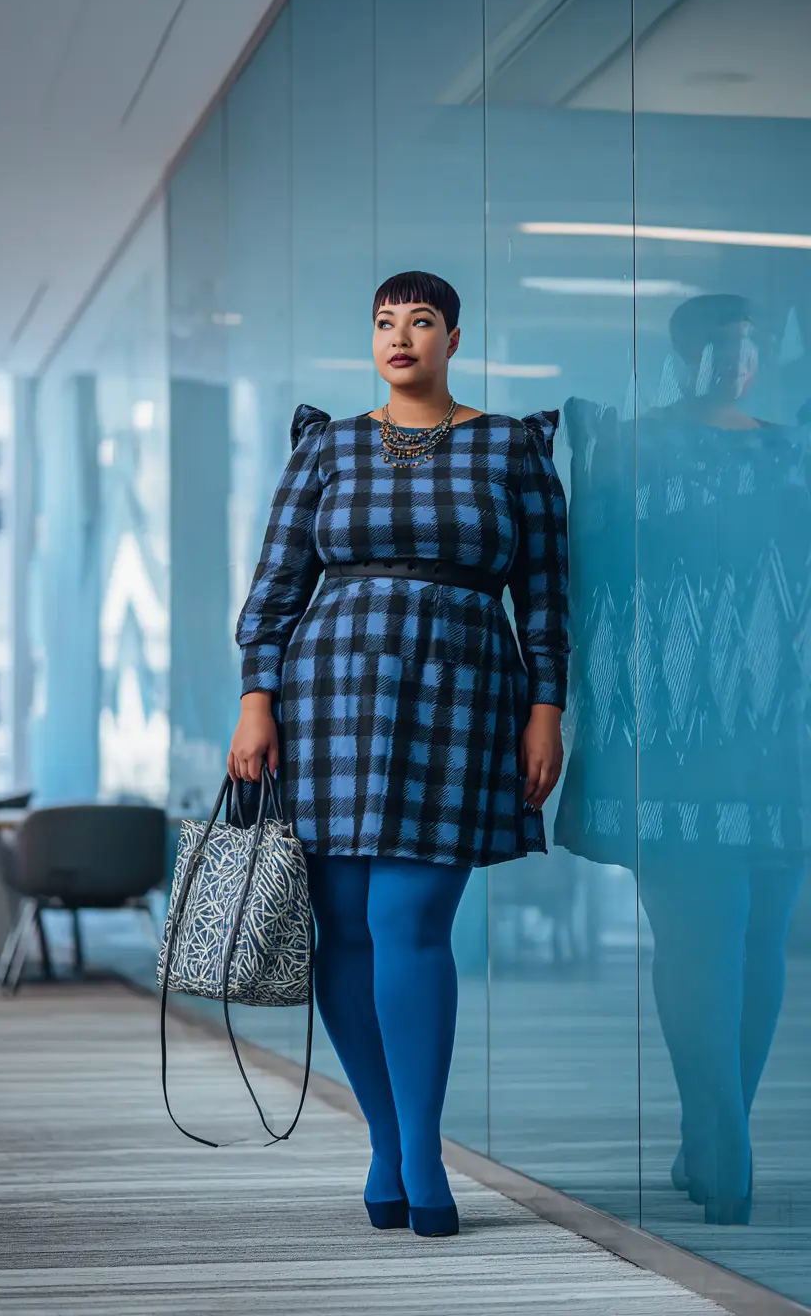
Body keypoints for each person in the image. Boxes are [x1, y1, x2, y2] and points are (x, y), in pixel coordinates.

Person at [229, 271, 569, 1237]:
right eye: (384, 322)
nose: (400, 337)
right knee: (345, 926)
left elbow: (545, 597)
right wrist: (258, 700)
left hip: (463, 691)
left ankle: (421, 1146)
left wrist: (545, 709)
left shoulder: (511, 445)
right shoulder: (326, 446)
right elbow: (276, 586)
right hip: (326, 693)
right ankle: (386, 1136)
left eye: (420, 321)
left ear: (454, 338)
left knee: (409, 917)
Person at [556, 295, 811, 1226]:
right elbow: (590, 577)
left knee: (755, 941)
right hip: (670, 735)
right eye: (717, 347)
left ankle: (717, 1132)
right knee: (705, 934)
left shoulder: (794, 450)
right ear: (684, 353)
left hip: (782, 739)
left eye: (750, 346)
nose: (735, 363)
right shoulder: (631, 450)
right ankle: (723, 1147)